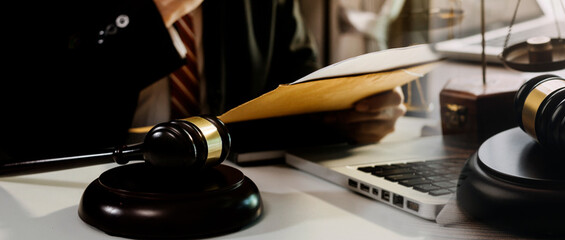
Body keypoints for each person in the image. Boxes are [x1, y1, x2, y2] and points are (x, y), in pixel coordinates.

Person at [0, 0, 405, 162]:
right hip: (76, 181)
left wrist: (346, 117)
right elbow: (34, 98)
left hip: (231, 189)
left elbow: (296, 94)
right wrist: (157, 12)